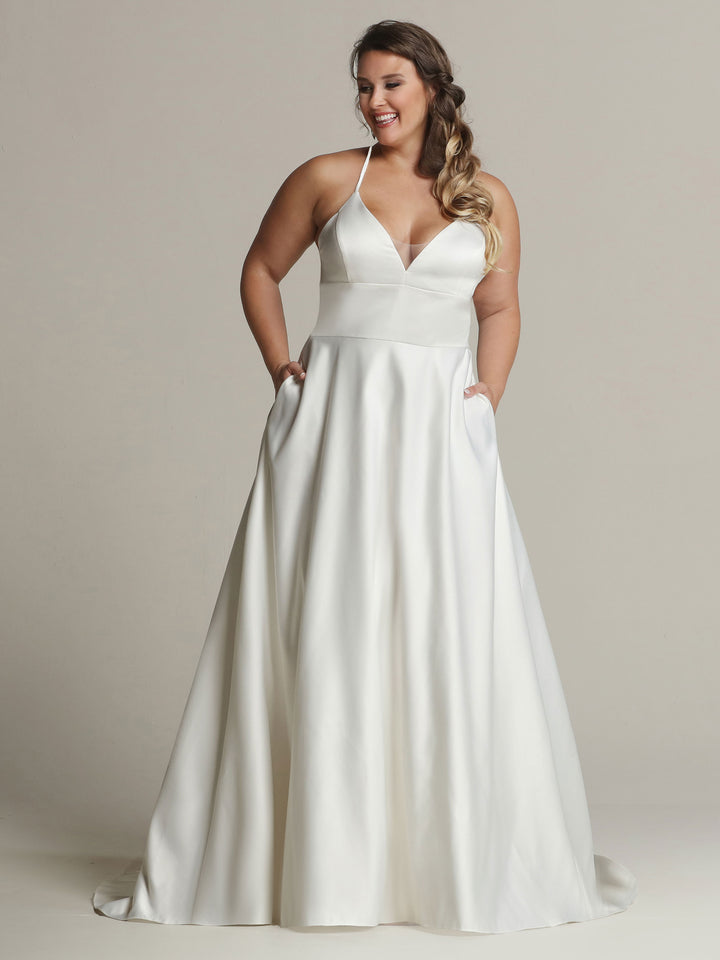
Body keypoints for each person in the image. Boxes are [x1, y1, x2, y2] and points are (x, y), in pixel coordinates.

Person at [92, 19, 638, 934]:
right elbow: (260, 273)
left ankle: (438, 863)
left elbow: (499, 309)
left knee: (442, 618)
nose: (373, 102)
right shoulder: (323, 179)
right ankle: (321, 860)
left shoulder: (488, 196)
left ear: (432, 86)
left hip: (438, 430)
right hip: (334, 422)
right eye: (363, 86)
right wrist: (282, 371)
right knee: (327, 612)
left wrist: (482, 402)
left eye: (391, 84)